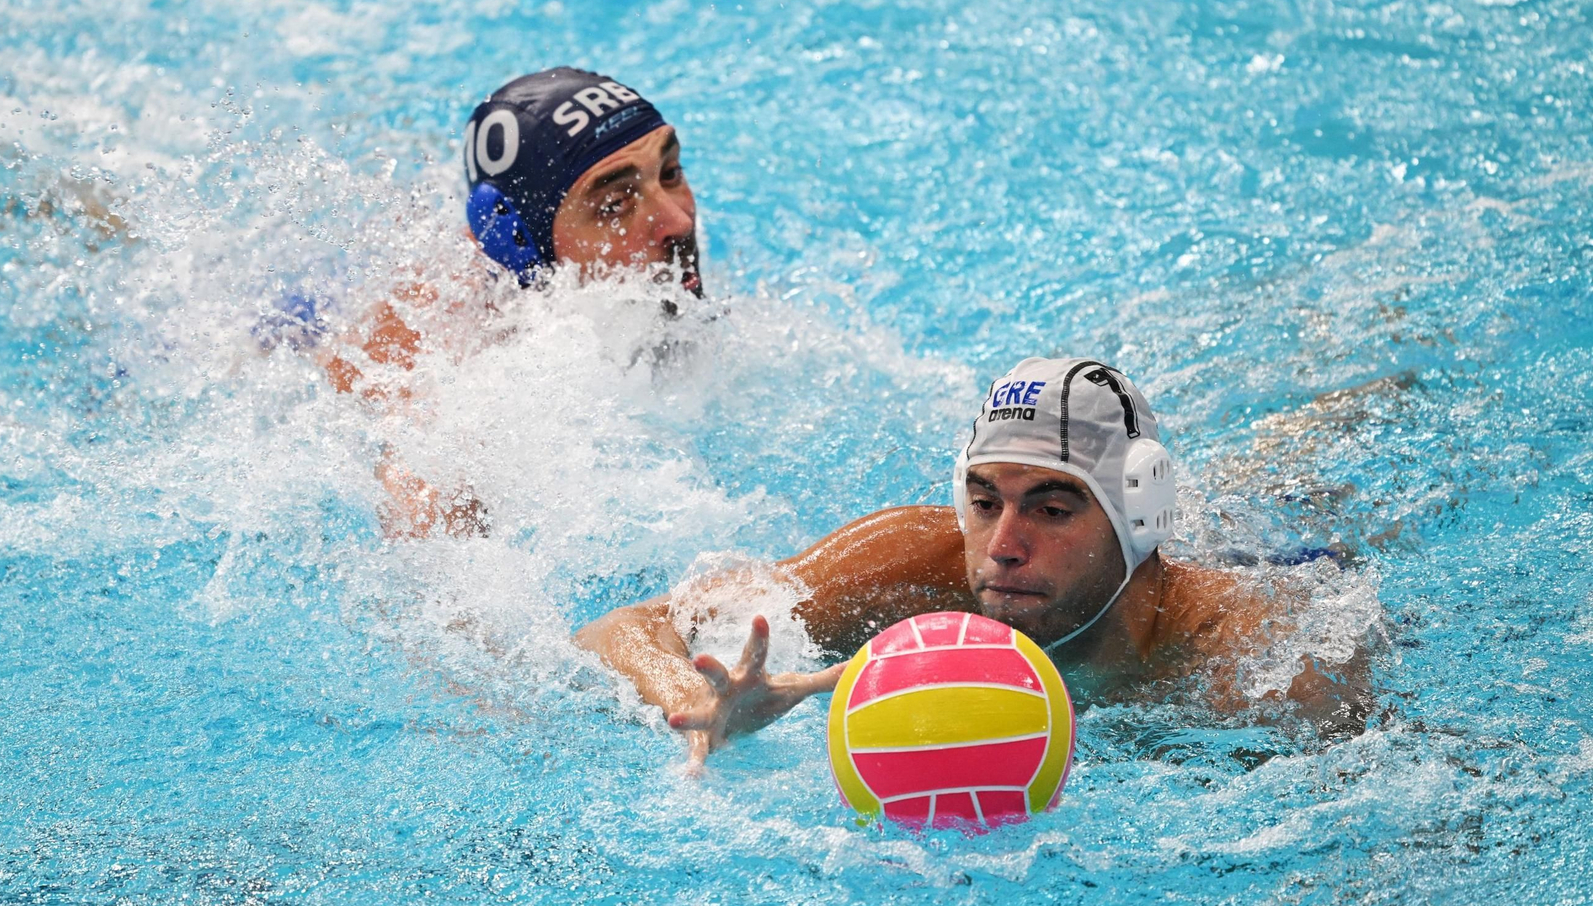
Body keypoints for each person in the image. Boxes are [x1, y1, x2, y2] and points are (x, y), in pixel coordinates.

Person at [576, 357, 1374, 767]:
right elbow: (623, 626)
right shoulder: (909, 567)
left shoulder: (1251, 654)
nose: (1002, 545)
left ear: (1138, 512)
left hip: (1286, 548)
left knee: (1299, 477)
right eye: (985, 500)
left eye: (1052, 508)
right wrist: (697, 700)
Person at [320, 67, 703, 537]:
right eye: (613, 206)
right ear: (518, 244)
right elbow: (418, 498)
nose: (677, 221)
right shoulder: (463, 375)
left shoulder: (644, 275)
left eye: (670, 173)